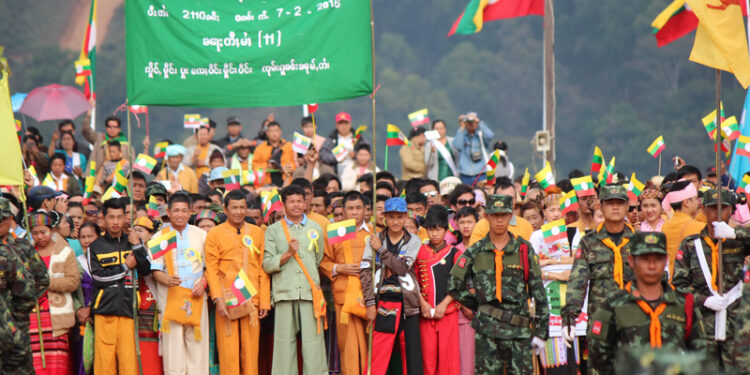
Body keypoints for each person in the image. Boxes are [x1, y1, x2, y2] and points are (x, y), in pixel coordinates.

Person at [448, 194, 549, 374]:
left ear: (511, 216)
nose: (500, 220)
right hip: (487, 332)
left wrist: (541, 332)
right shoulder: (476, 251)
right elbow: (454, 284)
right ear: (486, 216)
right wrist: (478, 304)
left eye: (504, 215)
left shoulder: (523, 249)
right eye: (495, 215)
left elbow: (538, 292)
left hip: (519, 331)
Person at [587, 232, 706, 374]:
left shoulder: (682, 305)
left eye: (658, 259)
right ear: (631, 261)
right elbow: (598, 361)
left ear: (666, 260)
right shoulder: (613, 307)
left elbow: (700, 356)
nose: (652, 266)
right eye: (645, 259)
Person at [672, 189, 749, 371]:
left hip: (737, 325)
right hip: (703, 324)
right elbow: (678, 285)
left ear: (731, 210)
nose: (718, 213)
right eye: (713, 208)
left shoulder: (736, 240)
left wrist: (734, 233)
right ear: (703, 210)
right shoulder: (691, 245)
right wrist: (703, 300)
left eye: (723, 208)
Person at [561, 185, 636, 360]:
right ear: (600, 206)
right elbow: (577, 281)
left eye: (620, 203)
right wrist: (569, 317)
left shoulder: (640, 241)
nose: (615, 207)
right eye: (610, 203)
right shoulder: (589, 242)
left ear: (627, 207)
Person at [262, 185, 327, 374]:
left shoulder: (315, 228)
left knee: (314, 343)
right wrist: (288, 254)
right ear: (283, 204)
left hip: (309, 292)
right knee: (283, 344)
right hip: (284, 292)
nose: (296, 205)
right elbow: (267, 263)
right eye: (292, 201)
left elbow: (319, 257)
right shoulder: (273, 230)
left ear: (306, 202)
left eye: (300, 201)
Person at [205, 190, 270, 375]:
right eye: (234, 207)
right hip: (227, 299)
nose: (239, 211)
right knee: (228, 352)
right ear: (225, 209)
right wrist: (217, 299)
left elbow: (262, 268)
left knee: (251, 352)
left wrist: (264, 301)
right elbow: (211, 269)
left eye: (242, 207)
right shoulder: (215, 234)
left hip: (252, 299)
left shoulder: (257, 233)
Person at [360, 197, 423, 375]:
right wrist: (370, 304)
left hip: (408, 305)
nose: (395, 222)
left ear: (406, 217)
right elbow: (365, 272)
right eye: (391, 217)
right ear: (385, 217)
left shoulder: (414, 240)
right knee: (379, 356)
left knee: (411, 356)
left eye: (399, 217)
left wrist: (381, 250)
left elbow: (402, 268)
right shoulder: (373, 239)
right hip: (382, 303)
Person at [88, 198, 151, 375]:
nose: (115, 222)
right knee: (104, 364)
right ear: (103, 218)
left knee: (128, 364)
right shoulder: (95, 246)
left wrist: (138, 246)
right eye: (111, 217)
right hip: (104, 311)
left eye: (119, 217)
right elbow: (98, 277)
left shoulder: (131, 241)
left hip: (128, 309)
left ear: (125, 217)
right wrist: (125, 266)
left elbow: (146, 270)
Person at [151, 194, 210, 374]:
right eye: (176, 210)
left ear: (190, 212)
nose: (180, 214)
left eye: (184, 210)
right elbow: (155, 271)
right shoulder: (159, 237)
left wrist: (204, 283)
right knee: (173, 350)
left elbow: (209, 266)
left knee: (198, 349)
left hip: (197, 296)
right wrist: (167, 280)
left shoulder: (201, 235)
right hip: (171, 298)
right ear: (168, 212)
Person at [529, 191, 583, 374]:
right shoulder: (537, 236)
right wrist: (555, 269)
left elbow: (578, 260)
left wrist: (551, 262)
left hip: (571, 301)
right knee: (552, 361)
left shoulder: (573, 233)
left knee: (572, 356)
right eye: (551, 209)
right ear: (544, 212)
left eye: (559, 209)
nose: (556, 214)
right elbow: (533, 265)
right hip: (547, 300)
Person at [319, 191, 371, 375]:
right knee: (347, 346)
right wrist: (340, 269)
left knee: (369, 344)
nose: (354, 212)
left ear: (366, 210)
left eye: (358, 208)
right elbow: (323, 261)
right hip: (344, 296)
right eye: (350, 208)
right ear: (344, 210)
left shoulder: (373, 233)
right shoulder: (335, 232)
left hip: (369, 298)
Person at [1, 198, 51, 375]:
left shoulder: (22, 247)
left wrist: (20, 308)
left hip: (17, 326)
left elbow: (42, 279)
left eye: (3, 218)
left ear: (10, 220)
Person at [416, 205, 461, 375]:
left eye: (438, 229)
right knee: (427, 361)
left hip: (448, 312)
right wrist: (422, 304)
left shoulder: (454, 253)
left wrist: (444, 304)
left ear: (446, 229)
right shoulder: (419, 252)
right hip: (425, 314)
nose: (434, 233)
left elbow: (459, 283)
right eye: (430, 229)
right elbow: (413, 281)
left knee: (448, 361)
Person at [660, 180, 704, 280]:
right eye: (696, 199)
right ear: (687, 202)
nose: (698, 203)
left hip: (672, 280)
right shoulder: (699, 227)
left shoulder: (665, 226)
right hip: (691, 283)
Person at [469, 178, 535, 243]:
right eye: (502, 198)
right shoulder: (481, 226)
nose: (506, 203)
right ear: (495, 199)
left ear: (515, 200)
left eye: (510, 199)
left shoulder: (526, 226)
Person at [453, 206, 478, 375]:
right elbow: (453, 283)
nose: (466, 226)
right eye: (462, 222)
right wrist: (465, 304)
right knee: (466, 360)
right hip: (464, 312)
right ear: (456, 225)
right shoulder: (454, 251)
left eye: (470, 222)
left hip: (485, 310)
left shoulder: (485, 248)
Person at [452, 112, 494, 185]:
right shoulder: (463, 136)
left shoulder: (481, 135)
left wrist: (479, 122)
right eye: (468, 122)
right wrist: (462, 127)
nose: (471, 124)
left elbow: (490, 135)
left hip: (481, 172)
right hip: (465, 173)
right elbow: (457, 145)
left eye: (473, 122)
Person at [252, 121, 296, 187]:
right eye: (271, 131)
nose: (274, 133)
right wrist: (267, 166)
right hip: (267, 183)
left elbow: (294, 163)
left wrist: (284, 168)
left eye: (276, 130)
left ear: (280, 132)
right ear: (267, 133)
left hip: (285, 181)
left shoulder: (289, 146)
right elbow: (255, 166)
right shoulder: (260, 148)